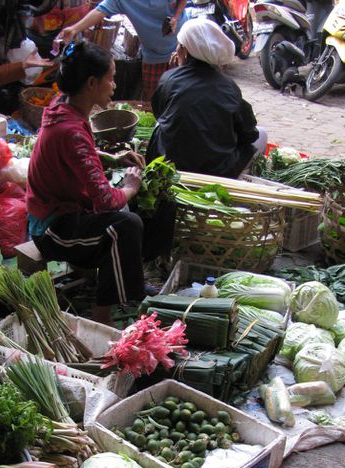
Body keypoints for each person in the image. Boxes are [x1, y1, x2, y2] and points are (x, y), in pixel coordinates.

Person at [26, 40, 154, 326]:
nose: (114, 85)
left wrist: (113, 158)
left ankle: (128, 288)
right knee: (126, 225)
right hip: (50, 230)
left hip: (62, 214)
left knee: (129, 218)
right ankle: (102, 318)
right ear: (92, 83)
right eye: (111, 78)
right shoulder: (71, 128)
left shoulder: (64, 109)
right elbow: (105, 201)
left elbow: (77, 154)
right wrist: (131, 186)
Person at [146, 17, 267, 178]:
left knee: (160, 125)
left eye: (179, 46)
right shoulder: (229, 87)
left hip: (170, 165)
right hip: (219, 172)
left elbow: (160, 113)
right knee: (262, 134)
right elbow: (250, 132)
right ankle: (240, 179)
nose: (176, 51)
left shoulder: (168, 79)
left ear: (185, 51)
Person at [60, 0, 188, 101]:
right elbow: (101, 10)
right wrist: (74, 29)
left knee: (181, 94)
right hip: (153, 53)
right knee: (153, 98)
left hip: (180, 47)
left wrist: (175, 17)